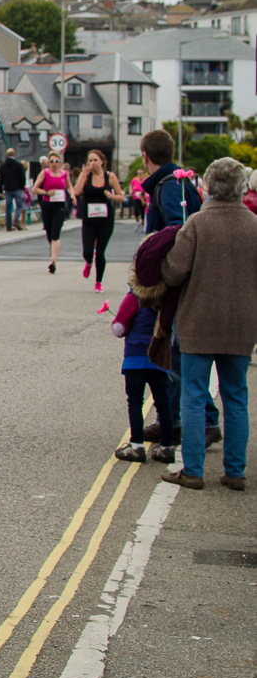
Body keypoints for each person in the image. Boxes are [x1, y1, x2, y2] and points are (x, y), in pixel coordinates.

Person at [158, 157, 255, 492]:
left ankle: (194, 469)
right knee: (236, 397)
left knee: (194, 395)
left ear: (209, 186)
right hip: (242, 322)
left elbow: (173, 272)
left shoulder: (197, 224)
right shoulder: (254, 225)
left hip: (198, 319)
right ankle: (235, 471)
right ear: (241, 186)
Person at [137, 128, 217, 446]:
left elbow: (176, 231)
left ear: (145, 156)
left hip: (175, 279)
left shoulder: (169, 186)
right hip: (187, 276)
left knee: (174, 353)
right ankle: (171, 416)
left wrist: (157, 269)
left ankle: (199, 420)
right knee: (173, 354)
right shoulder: (180, 182)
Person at [107, 268, 175, 464]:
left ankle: (136, 446)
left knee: (135, 402)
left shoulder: (134, 298)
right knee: (163, 403)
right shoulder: (165, 298)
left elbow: (119, 328)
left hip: (135, 358)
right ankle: (167, 447)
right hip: (158, 358)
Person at [72, 149, 124, 293]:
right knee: (87, 252)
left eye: (95, 160)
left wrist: (111, 196)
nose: (92, 163)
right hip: (89, 219)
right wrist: (83, 174)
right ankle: (88, 263)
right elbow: (76, 192)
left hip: (105, 220)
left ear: (101, 161)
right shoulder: (86, 176)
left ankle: (98, 282)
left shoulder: (110, 176)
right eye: (90, 160)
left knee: (100, 252)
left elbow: (121, 197)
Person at [31, 152, 72, 273]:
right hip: (47, 205)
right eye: (52, 161)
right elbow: (35, 188)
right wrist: (46, 193)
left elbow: (69, 186)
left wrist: (73, 195)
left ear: (60, 163)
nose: (54, 164)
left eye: (56, 161)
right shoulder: (44, 173)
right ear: (49, 163)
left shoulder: (65, 174)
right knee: (49, 232)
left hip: (60, 205)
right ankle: (53, 249)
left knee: (55, 233)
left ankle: (53, 261)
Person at [0, 148, 27, 231]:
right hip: (17, 189)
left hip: (8, 189)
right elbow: (22, 177)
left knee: (8, 208)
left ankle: (8, 226)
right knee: (19, 205)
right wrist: (22, 186)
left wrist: (0, 189)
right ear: (14, 155)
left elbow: (0, 178)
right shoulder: (19, 165)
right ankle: (16, 220)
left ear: (6, 155)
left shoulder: (3, 166)